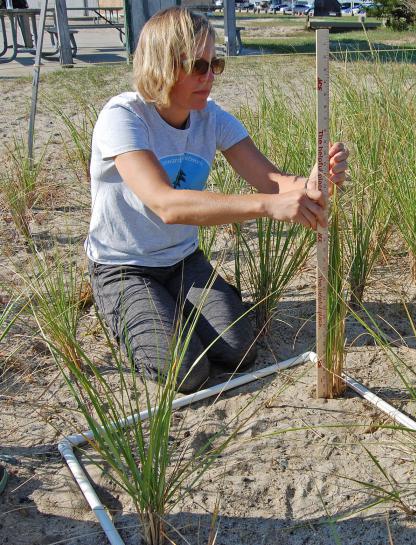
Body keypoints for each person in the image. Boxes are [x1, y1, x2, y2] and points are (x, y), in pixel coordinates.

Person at [86, 7, 348, 393]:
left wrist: (311, 182)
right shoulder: (123, 117)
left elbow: (271, 181)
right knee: (188, 372)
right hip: (124, 267)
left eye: (215, 64)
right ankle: (127, 310)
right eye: (197, 65)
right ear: (162, 63)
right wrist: (265, 206)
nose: (209, 77)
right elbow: (166, 204)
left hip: (183, 261)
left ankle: (171, 306)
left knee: (238, 350)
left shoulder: (212, 117)